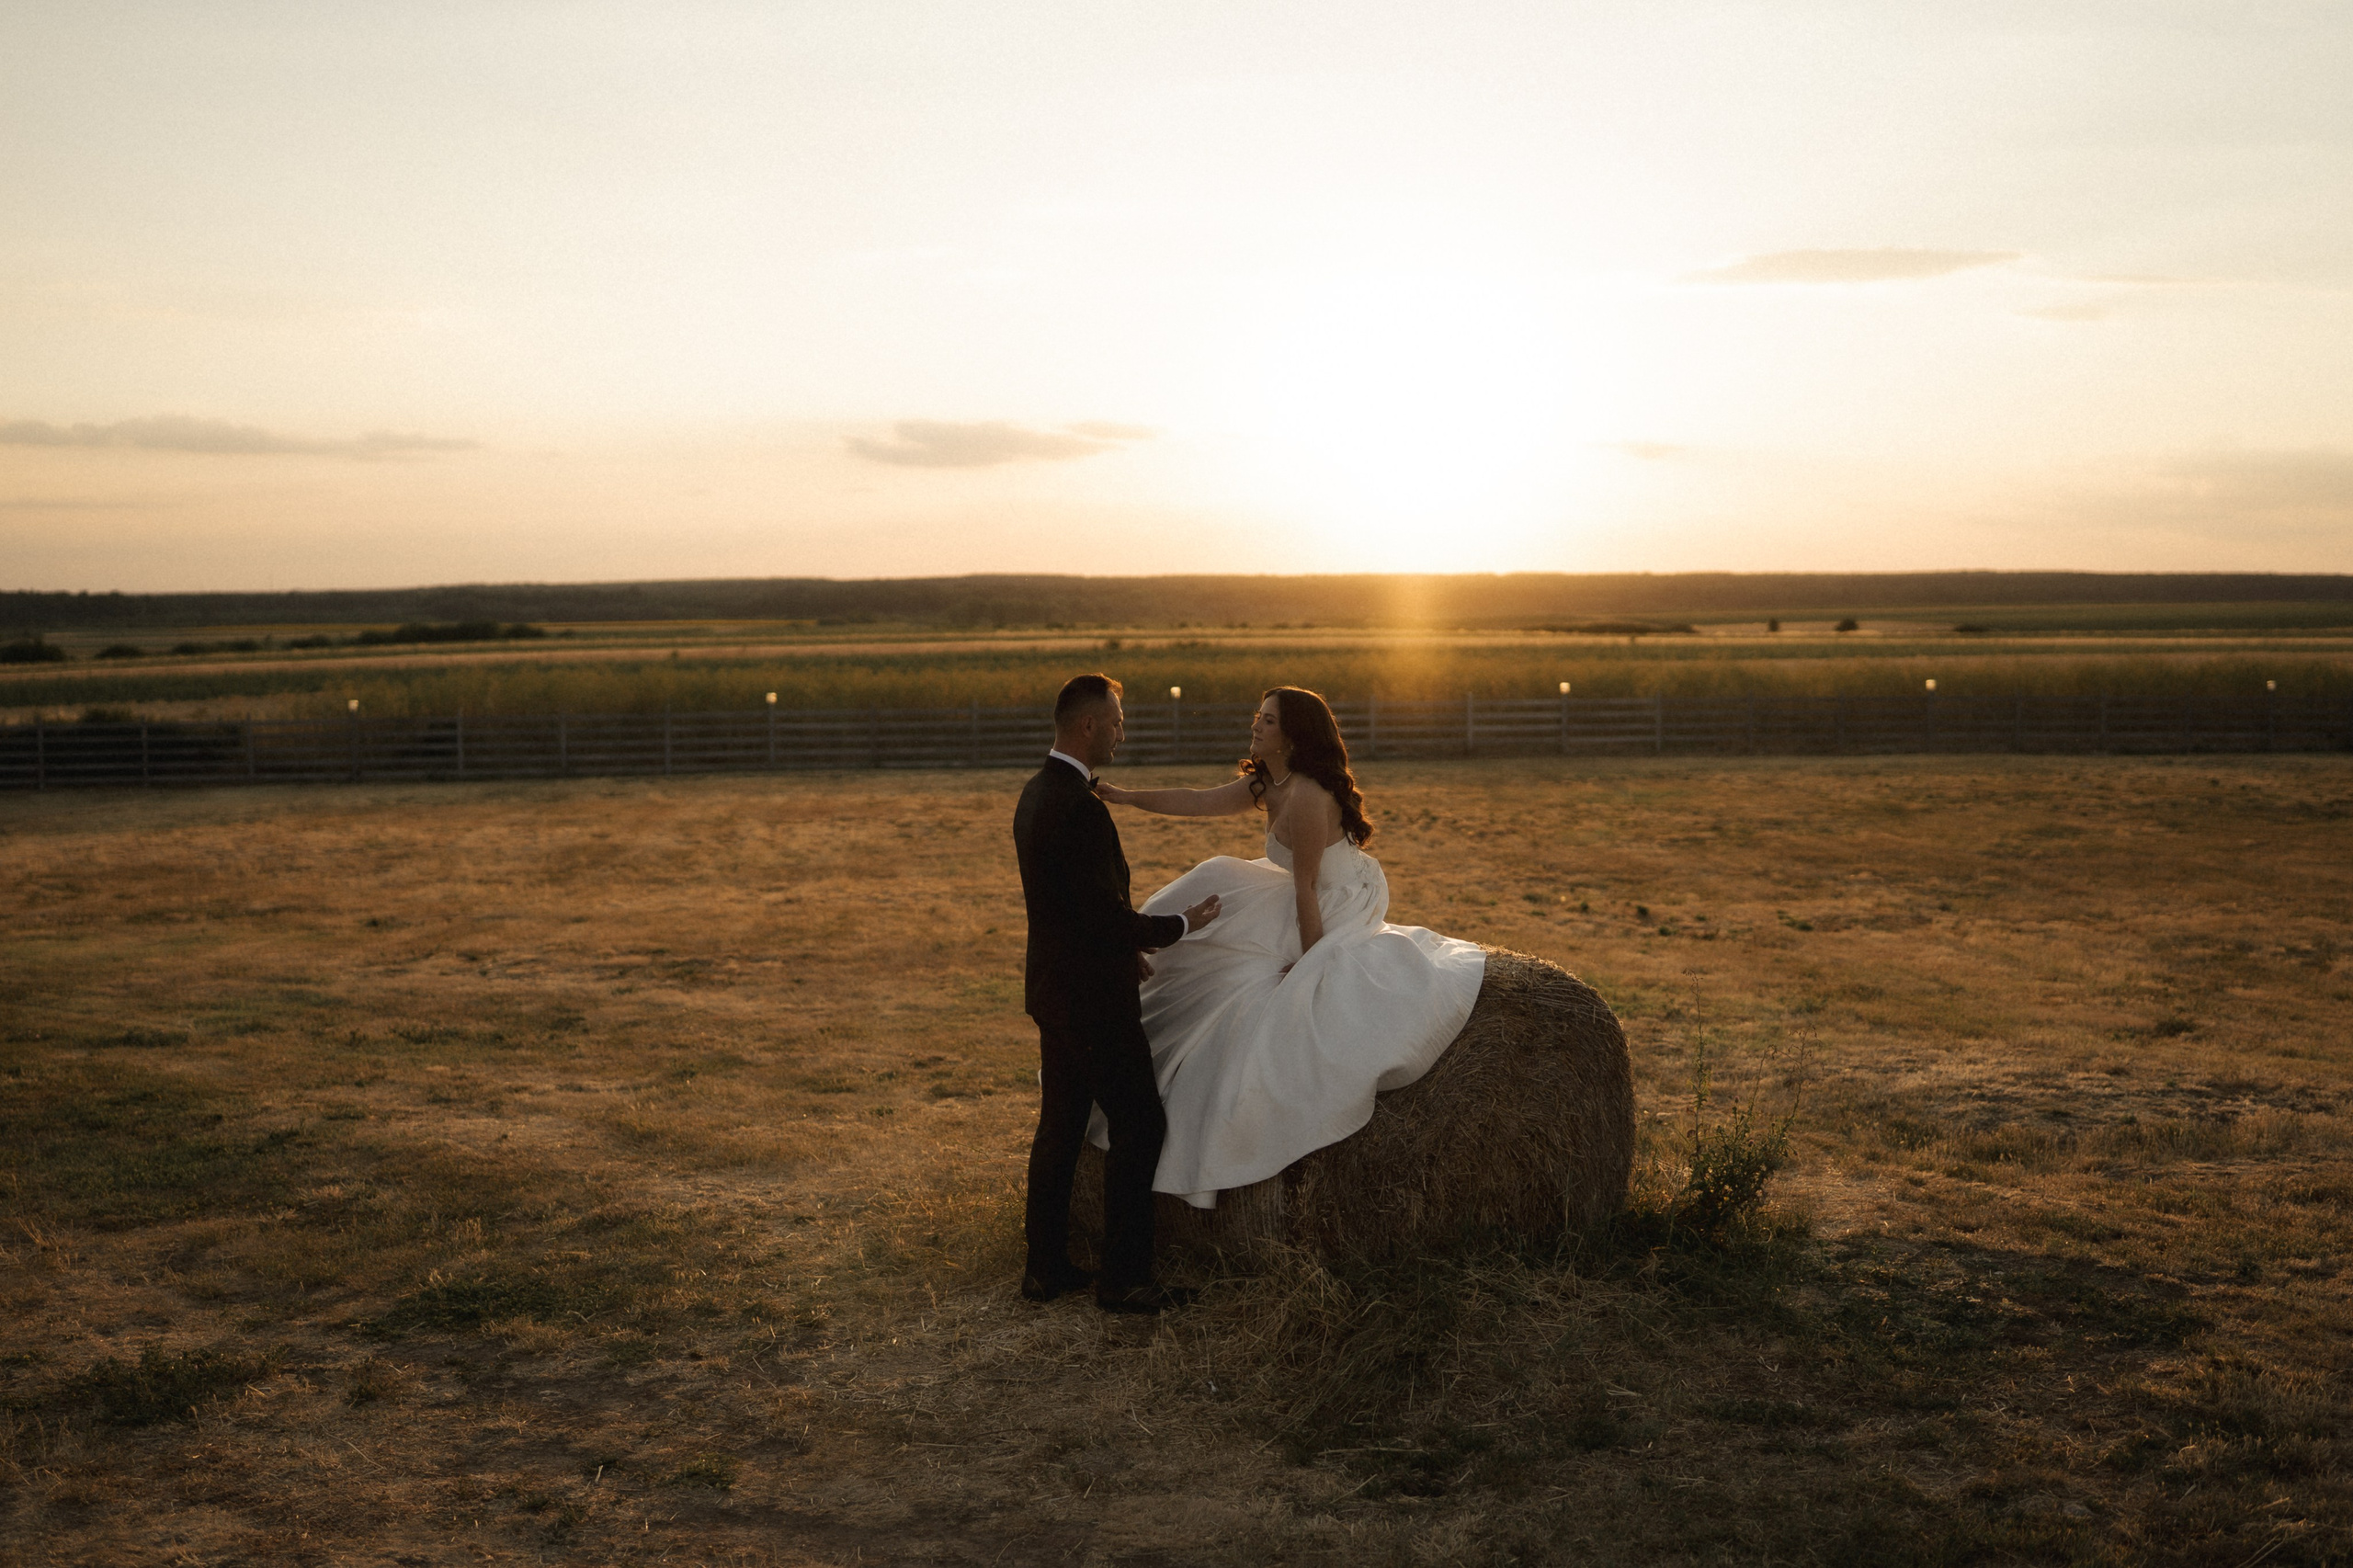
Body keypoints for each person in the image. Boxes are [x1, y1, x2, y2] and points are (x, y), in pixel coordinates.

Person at [1093, 687, 1485, 1207]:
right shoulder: (1267, 782)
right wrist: (1126, 798)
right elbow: (1198, 801)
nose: (1256, 725)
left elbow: (1306, 888)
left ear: (1293, 736)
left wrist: (1310, 963)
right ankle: (1141, 957)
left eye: (1269, 720)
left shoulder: (1304, 797)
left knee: (1248, 986)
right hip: (1298, 888)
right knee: (1214, 874)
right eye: (1258, 715)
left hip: (1337, 897)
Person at [1012, 674, 1222, 1313]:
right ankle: (1125, 1280)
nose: (1123, 730)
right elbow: (1102, 915)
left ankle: (1044, 1269)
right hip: (1094, 1003)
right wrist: (1183, 925)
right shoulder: (1079, 807)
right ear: (1087, 727)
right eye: (1117, 720)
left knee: (1061, 1128)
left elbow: (1073, 911)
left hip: (1054, 989)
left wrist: (1119, 944)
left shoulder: (1035, 793)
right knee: (1140, 1123)